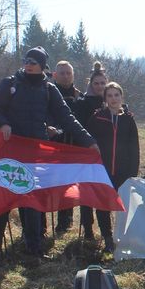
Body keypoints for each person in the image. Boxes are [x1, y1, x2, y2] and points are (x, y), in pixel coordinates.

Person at [0, 47, 98, 260]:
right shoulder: (9, 84)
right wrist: (2, 124)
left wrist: (88, 141)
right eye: (26, 60)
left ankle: (34, 248)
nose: (28, 64)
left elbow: (67, 118)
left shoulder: (49, 89)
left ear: (42, 66)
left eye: (33, 61)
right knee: (4, 196)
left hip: (36, 151)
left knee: (32, 198)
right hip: (11, 148)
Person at [83, 81, 139, 253]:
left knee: (123, 206)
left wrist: (133, 172)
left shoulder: (128, 119)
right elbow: (88, 143)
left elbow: (134, 148)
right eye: (110, 95)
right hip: (102, 170)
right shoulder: (97, 117)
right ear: (105, 98)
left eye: (116, 95)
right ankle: (107, 237)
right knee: (103, 205)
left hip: (123, 170)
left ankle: (122, 236)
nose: (113, 99)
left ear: (121, 97)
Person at [68, 62, 110, 239]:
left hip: (106, 154)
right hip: (86, 153)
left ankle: (106, 232)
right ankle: (88, 231)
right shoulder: (82, 104)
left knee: (101, 192)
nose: (100, 87)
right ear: (90, 84)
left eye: (102, 83)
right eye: (96, 83)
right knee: (86, 194)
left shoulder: (112, 102)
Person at [51, 60, 84, 236]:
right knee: (51, 185)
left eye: (68, 73)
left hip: (74, 146)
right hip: (53, 147)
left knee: (69, 185)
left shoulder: (80, 96)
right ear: (55, 75)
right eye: (62, 73)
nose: (65, 76)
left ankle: (65, 223)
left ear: (73, 75)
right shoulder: (48, 93)